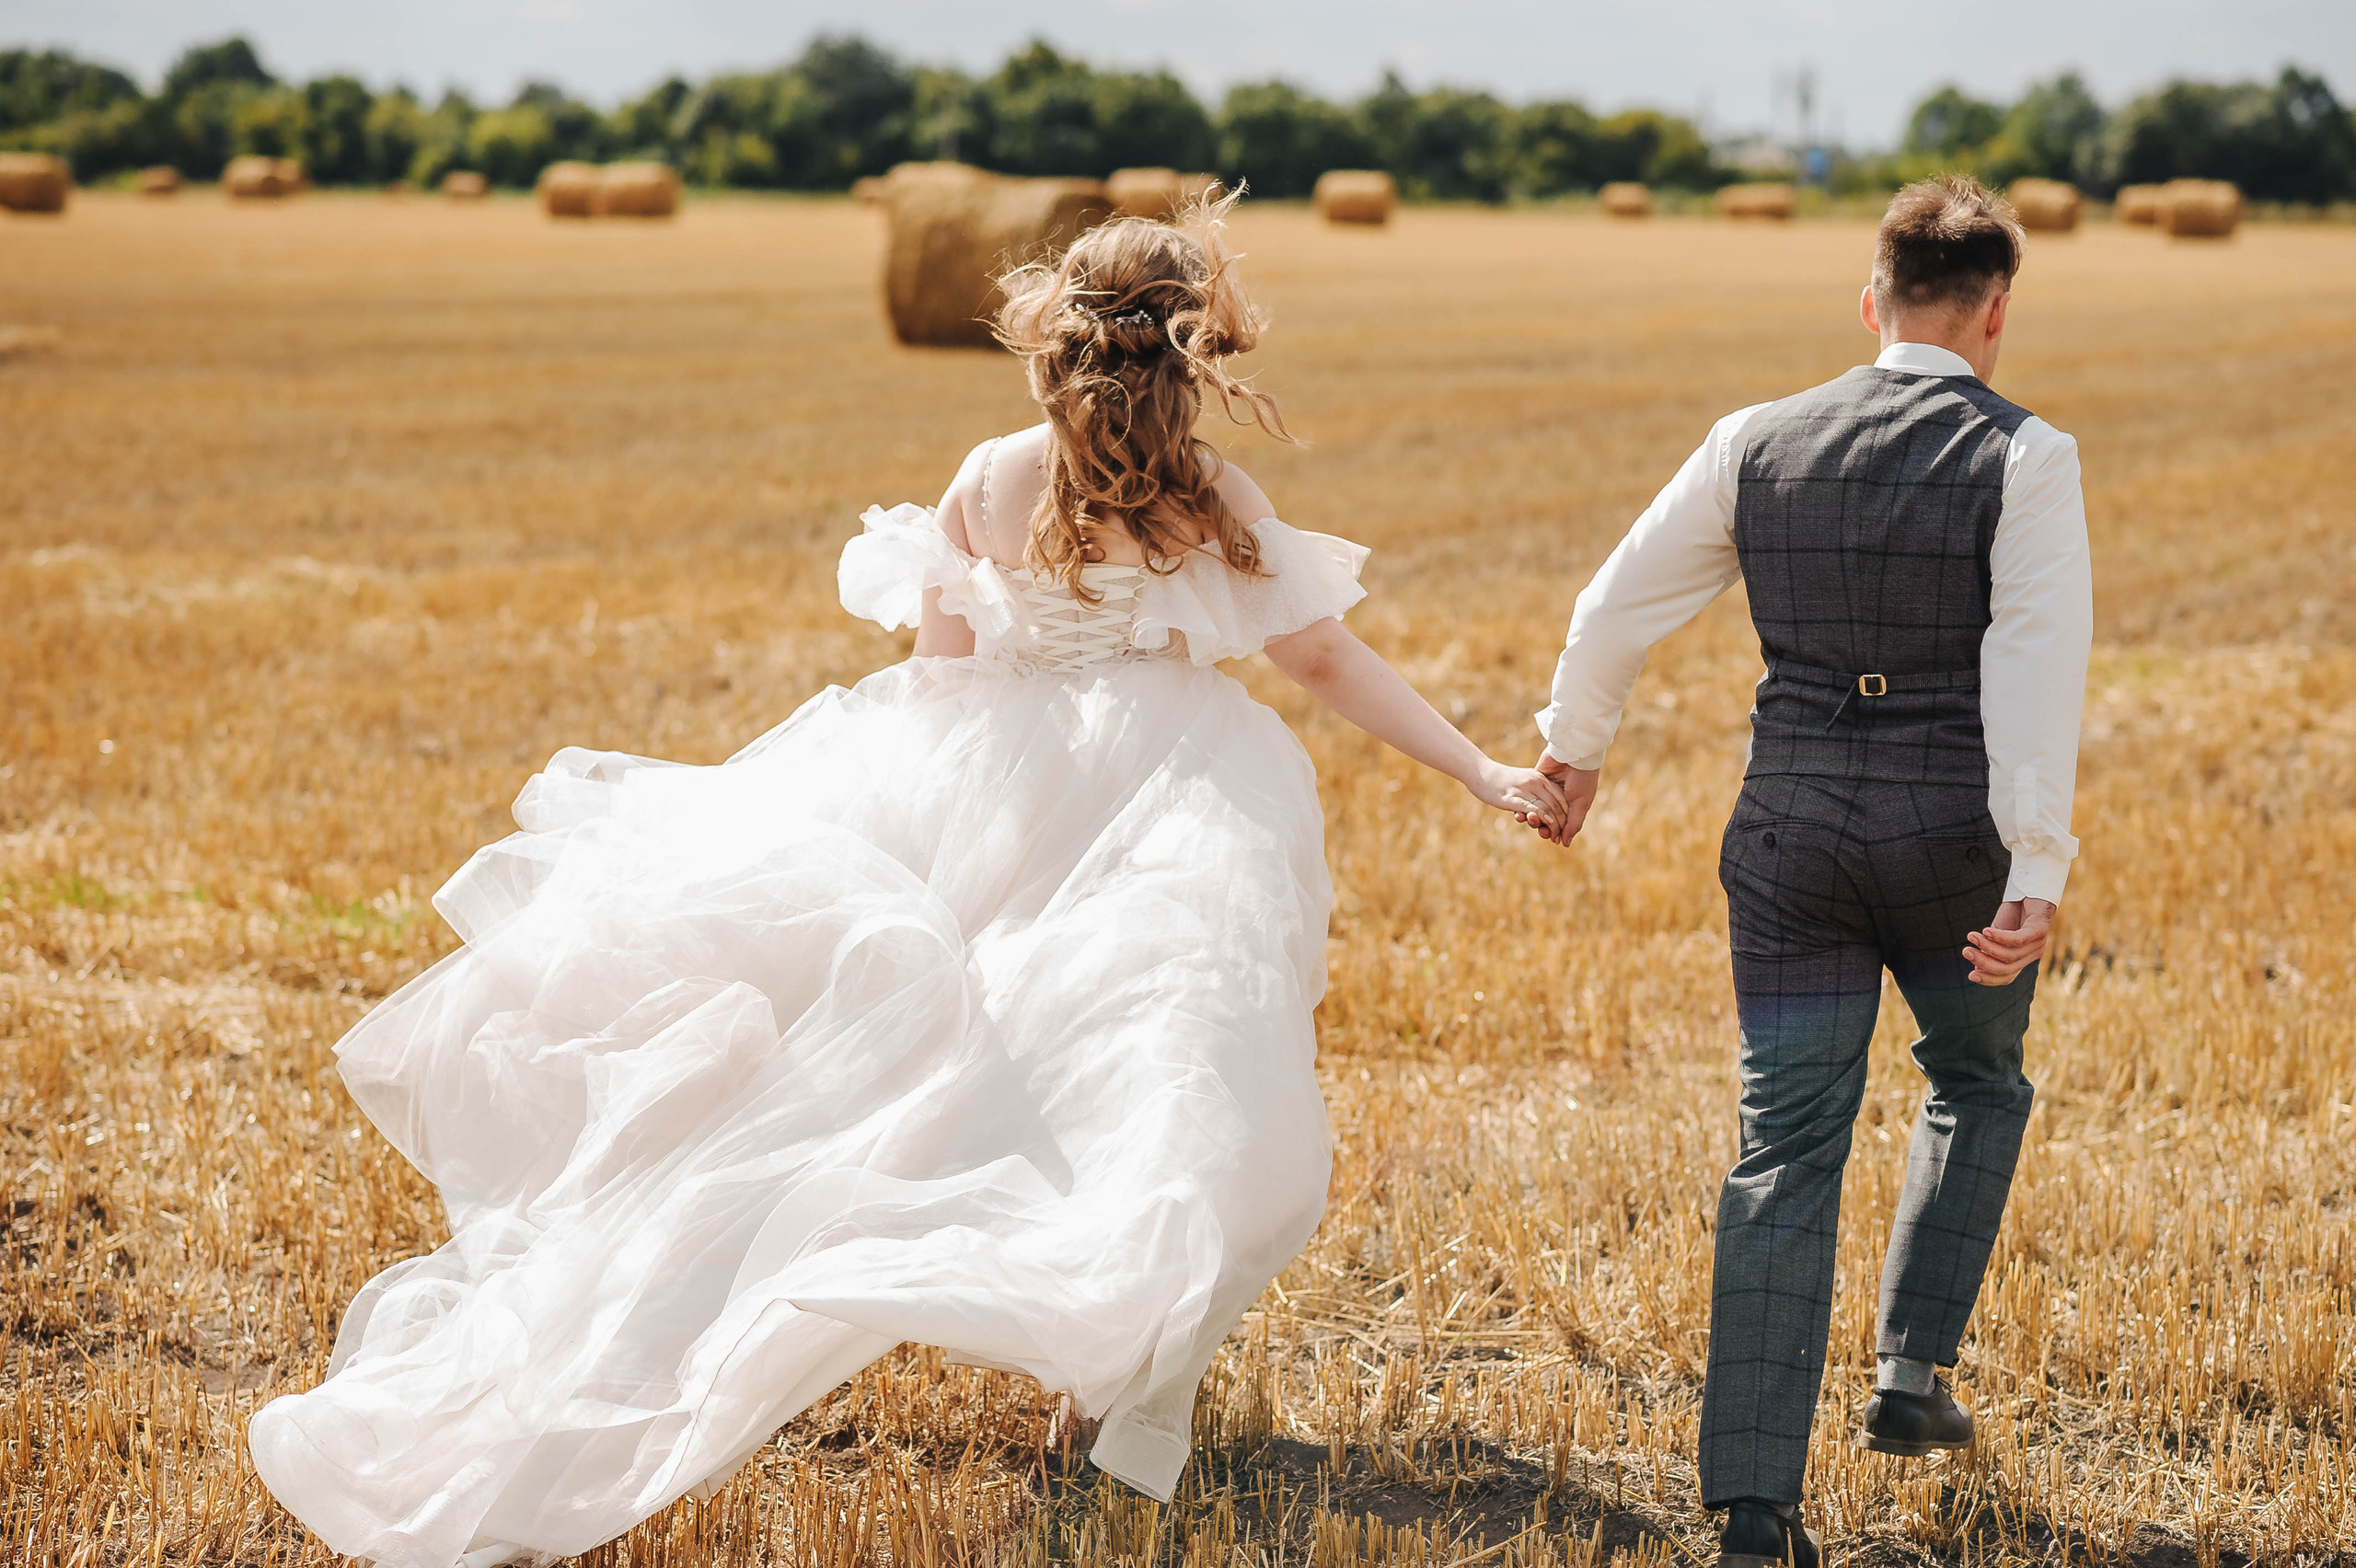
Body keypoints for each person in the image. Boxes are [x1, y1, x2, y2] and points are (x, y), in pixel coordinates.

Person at [247, 195, 1569, 1568]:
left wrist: (932, 831)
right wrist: (1479, 771)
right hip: (1176, 796)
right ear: (1195, 351)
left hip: (986, 783)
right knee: (1171, 1082)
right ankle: (1121, 1398)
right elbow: (1325, 664)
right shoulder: (1213, 497)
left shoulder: (990, 477)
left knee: (937, 1074)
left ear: (1059, 340)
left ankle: (1031, 1353)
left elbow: (938, 682)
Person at [1519, 176, 2091, 1568]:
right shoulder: (2026, 456)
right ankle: (1910, 1376)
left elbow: (1611, 607)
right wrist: (2037, 858)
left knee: (1782, 1151)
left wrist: (1573, 755)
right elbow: (2033, 667)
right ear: (1997, 312)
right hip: (1951, 840)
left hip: (1789, 838)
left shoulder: (1753, 440)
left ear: (1870, 299)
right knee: (1973, 1081)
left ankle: (1754, 1512)